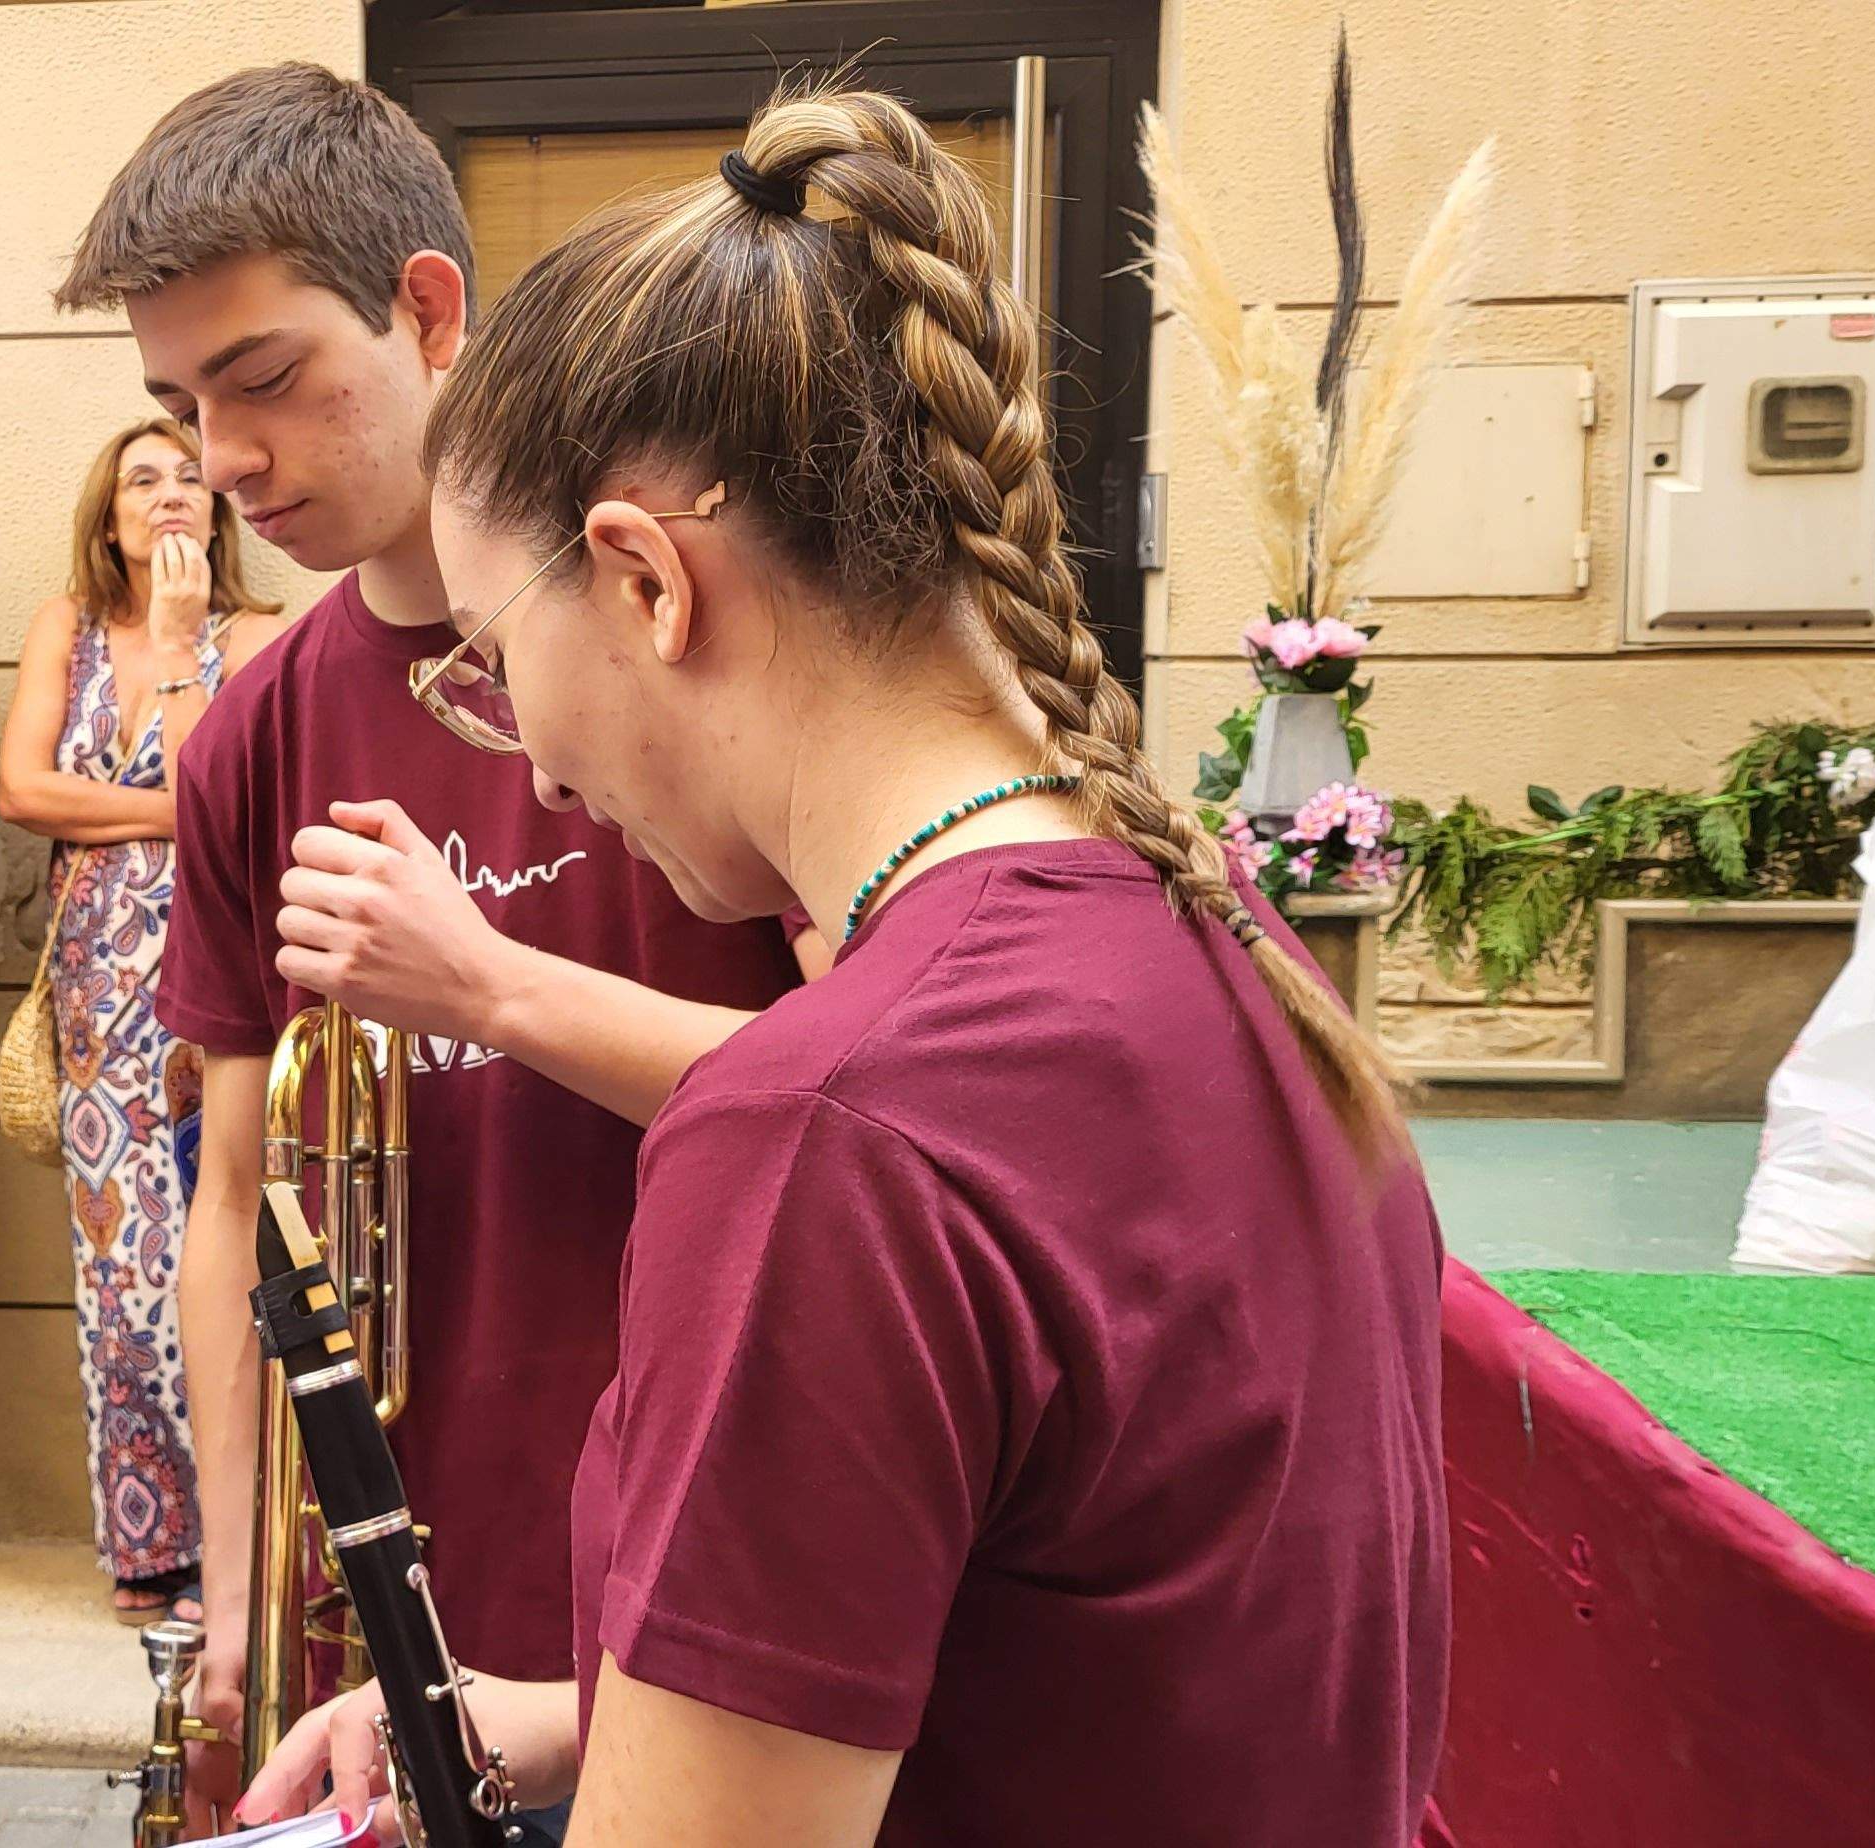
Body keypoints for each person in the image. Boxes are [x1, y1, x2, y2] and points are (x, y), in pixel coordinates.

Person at [237, 85, 1449, 1848]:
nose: (538, 768)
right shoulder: (1227, 939)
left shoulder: (827, 1128)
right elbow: (1092, 1655)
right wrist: (581, 1720)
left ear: (647, 582)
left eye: (493, 660)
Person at [54, 62, 824, 1829]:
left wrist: (490, 987)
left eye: (265, 379)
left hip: (713, 1600)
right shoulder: (251, 737)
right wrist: (236, 1589)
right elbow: (235, 1192)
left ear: (428, 309)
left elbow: (893, 1102)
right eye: (180, 404)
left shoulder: (677, 633)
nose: (224, 459)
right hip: (390, 1631)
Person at [0, 416, 292, 1625]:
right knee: (119, 1265)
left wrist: (177, 648)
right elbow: (21, 789)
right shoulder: (63, 629)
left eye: (187, 478)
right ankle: (151, 1544)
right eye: (141, 481)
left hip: (217, 977)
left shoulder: (259, 634)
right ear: (107, 516)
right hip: (95, 993)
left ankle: (242, 1541)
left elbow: (233, 799)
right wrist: (172, 811)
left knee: (221, 1246)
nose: (170, 495)